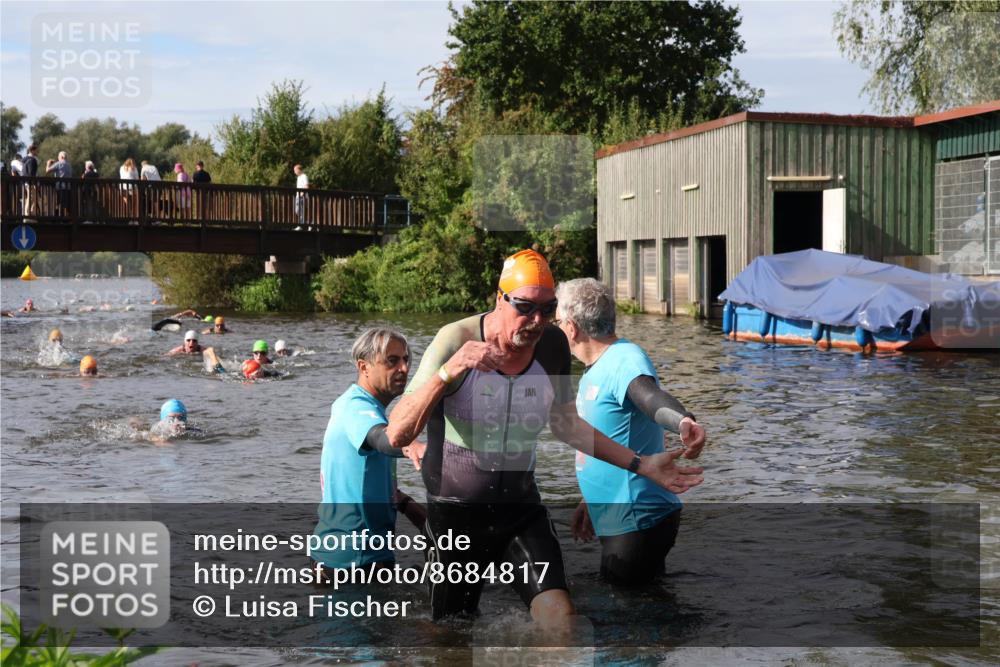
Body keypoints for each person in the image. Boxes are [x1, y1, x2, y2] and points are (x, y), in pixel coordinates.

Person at [381, 249, 704, 633]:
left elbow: (567, 425)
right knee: (447, 636)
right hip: (456, 515)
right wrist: (448, 373)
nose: (536, 320)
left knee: (562, 624)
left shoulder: (552, 346)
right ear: (499, 299)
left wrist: (642, 464)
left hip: (520, 511)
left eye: (547, 309)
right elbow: (398, 432)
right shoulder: (454, 339)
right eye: (525, 307)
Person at [554, 278, 706, 585]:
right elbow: (610, 433)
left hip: (637, 514)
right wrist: (591, 499)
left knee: (622, 619)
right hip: (619, 513)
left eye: (556, 321)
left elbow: (648, 397)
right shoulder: (598, 366)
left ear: (571, 328)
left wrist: (683, 422)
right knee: (642, 604)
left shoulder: (624, 359)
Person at [312, 328, 427, 574]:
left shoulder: (362, 407)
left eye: (406, 360)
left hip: (347, 555)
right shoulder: (356, 408)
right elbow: (381, 439)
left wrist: (414, 512)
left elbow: (368, 478)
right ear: (364, 367)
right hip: (354, 560)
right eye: (392, 361)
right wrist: (411, 445)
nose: (404, 369)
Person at [45, 151, 73, 217]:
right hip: (68, 187)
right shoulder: (69, 165)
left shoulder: (59, 163)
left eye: (58, 157)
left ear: (62, 157)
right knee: (66, 204)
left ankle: (59, 218)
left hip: (60, 187)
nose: (58, 159)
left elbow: (47, 171)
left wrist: (48, 163)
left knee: (59, 203)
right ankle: (66, 218)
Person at [22, 145, 38, 217]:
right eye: (36, 150)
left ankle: (28, 213)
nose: (37, 152)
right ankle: (29, 214)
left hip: (26, 182)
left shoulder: (24, 160)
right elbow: (32, 172)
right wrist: (34, 183)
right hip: (31, 182)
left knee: (29, 197)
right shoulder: (32, 160)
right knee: (31, 198)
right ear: (32, 150)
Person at [293, 164, 309, 230]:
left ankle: (301, 225)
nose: (294, 172)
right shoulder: (298, 178)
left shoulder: (304, 176)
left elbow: (306, 186)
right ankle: (303, 224)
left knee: (301, 211)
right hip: (298, 197)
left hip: (302, 197)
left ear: (299, 169)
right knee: (297, 211)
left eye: (295, 170)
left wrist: (302, 194)